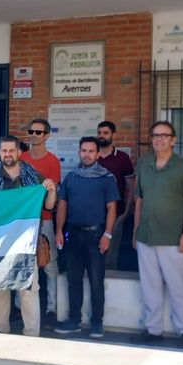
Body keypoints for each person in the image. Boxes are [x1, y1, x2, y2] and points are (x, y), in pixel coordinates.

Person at [131, 121, 183, 348]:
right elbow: (139, 200)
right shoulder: (144, 163)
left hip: (173, 237)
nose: (159, 139)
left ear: (173, 139)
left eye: (164, 135)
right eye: (155, 135)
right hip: (146, 235)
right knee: (149, 285)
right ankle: (153, 329)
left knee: (177, 285)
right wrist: (135, 230)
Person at [0, 136, 57, 336]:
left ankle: (32, 335)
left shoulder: (33, 176)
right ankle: (2, 331)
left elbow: (49, 206)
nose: (7, 154)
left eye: (11, 151)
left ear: (18, 152)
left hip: (27, 242)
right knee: (0, 290)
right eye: (4, 151)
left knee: (28, 290)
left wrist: (51, 190)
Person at [54, 137, 117, 338]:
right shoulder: (71, 177)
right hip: (72, 234)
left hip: (96, 235)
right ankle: (74, 320)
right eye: (84, 150)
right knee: (73, 281)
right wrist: (59, 231)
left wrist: (107, 234)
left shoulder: (107, 178)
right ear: (79, 152)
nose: (87, 154)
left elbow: (111, 208)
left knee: (96, 281)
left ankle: (97, 323)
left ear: (98, 154)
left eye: (91, 151)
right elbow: (62, 204)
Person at [20, 118, 62, 325]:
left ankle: (52, 308)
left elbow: (53, 192)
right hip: (22, 221)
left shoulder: (53, 161)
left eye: (38, 132)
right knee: (22, 262)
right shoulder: (21, 158)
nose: (34, 135)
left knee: (49, 263)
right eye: (31, 131)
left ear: (47, 135)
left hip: (44, 219)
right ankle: (21, 308)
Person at [97, 121, 135, 270]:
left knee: (110, 259)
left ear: (113, 135)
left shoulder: (122, 158)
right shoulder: (92, 156)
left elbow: (131, 187)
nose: (101, 136)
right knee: (93, 258)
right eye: (99, 133)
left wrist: (126, 213)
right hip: (94, 216)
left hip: (116, 214)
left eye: (105, 133)